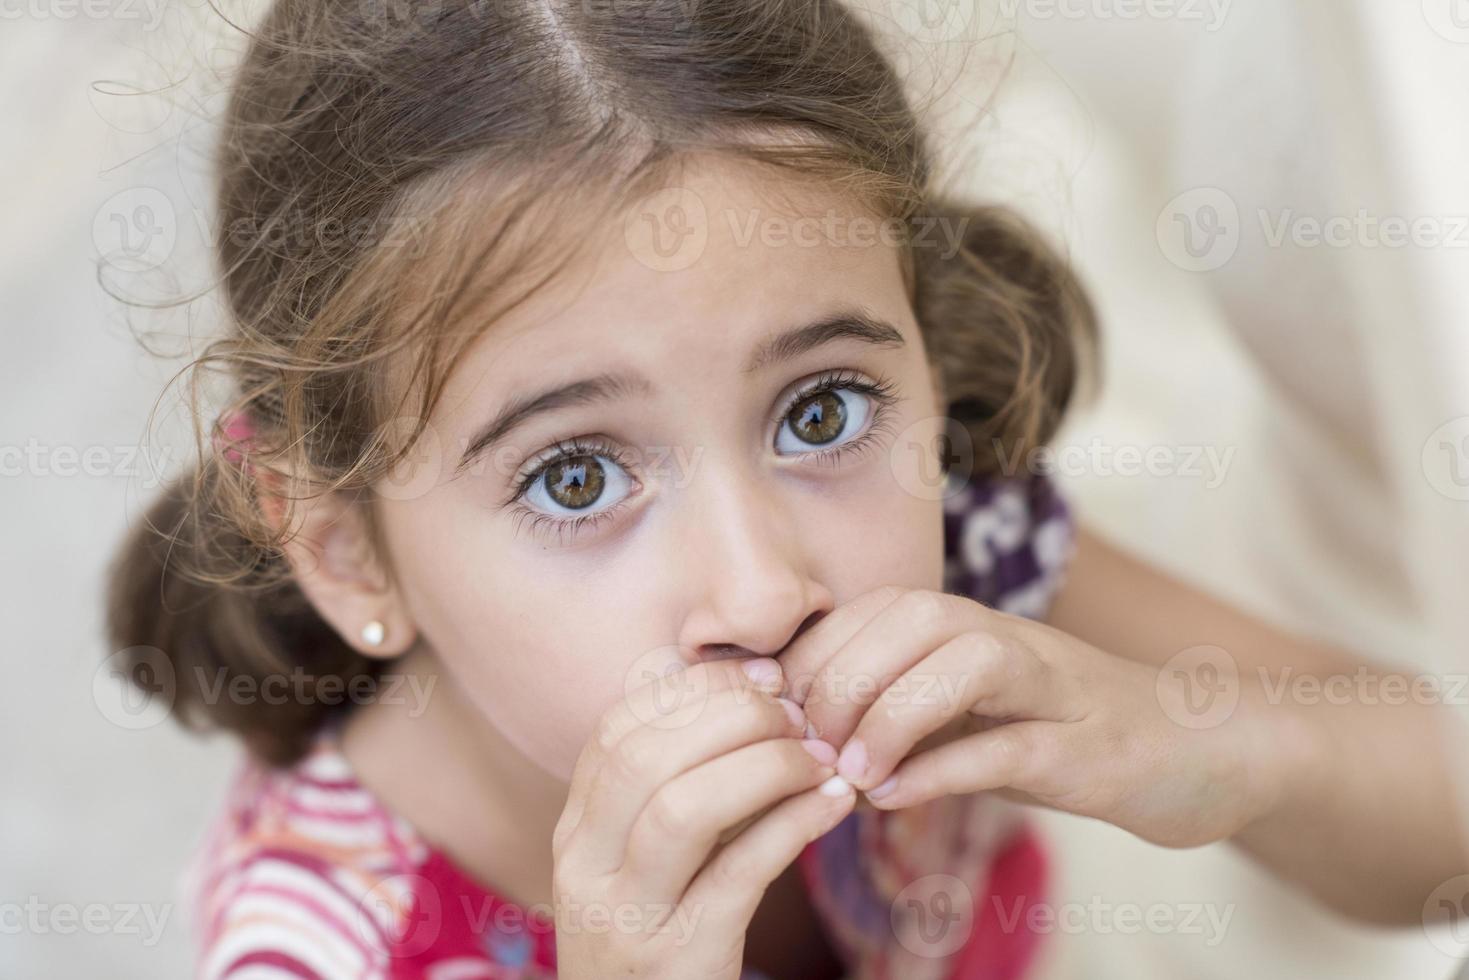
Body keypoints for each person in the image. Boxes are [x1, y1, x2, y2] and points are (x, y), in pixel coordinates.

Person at [102, 0, 1464, 976]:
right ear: (348, 555)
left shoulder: (968, 542)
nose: (762, 590)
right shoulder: (315, 939)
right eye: (574, 476)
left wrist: (1207, 748)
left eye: (819, 410)